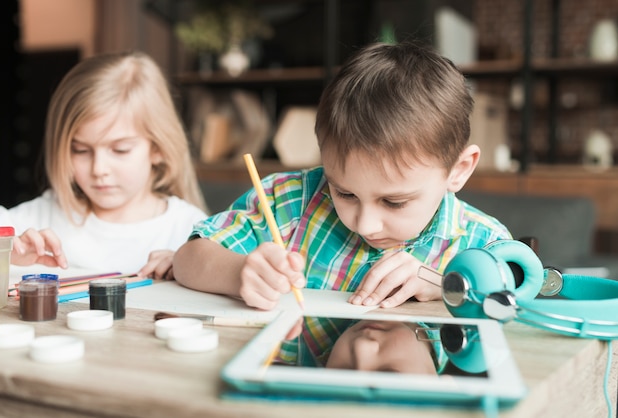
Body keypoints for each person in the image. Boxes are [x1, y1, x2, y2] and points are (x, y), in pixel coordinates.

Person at [173, 40, 511, 365]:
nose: (365, 224)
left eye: (394, 202)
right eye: (345, 193)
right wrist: (239, 273)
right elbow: (188, 259)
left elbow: (517, 301)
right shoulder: (291, 201)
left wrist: (447, 285)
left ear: (459, 170)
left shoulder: (480, 242)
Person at [0, 51, 208, 280]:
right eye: (81, 150)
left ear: (158, 148)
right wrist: (2, 254)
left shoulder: (189, 228)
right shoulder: (41, 216)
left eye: (120, 150)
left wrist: (188, 265)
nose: (99, 169)